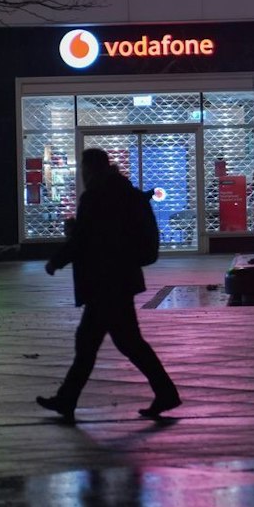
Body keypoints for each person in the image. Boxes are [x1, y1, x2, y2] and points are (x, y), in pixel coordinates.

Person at [38, 148, 180, 421]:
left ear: (91, 169)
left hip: (104, 282)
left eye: (83, 168)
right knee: (116, 342)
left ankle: (68, 400)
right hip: (121, 279)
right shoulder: (125, 192)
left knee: (101, 342)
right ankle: (69, 399)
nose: (81, 173)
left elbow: (85, 240)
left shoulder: (95, 196)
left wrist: (56, 260)